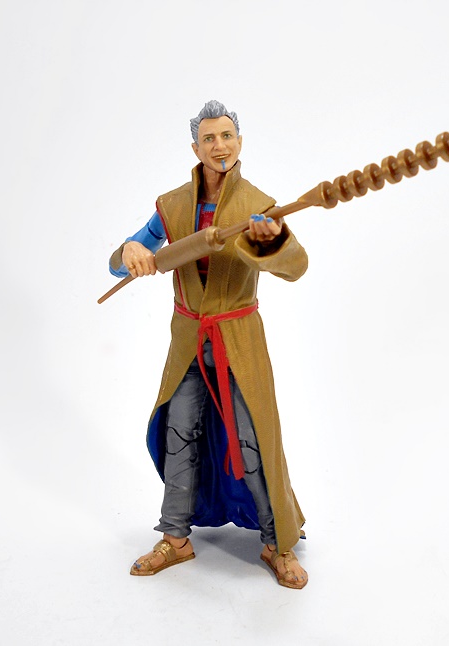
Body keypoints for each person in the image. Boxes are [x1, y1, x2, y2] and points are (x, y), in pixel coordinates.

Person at [108, 100, 308, 588]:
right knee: (179, 434)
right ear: (196, 148)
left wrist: (271, 242)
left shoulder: (258, 205)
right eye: (209, 138)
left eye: (227, 136)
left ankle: (276, 543)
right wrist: (130, 251)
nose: (220, 146)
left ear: (239, 142)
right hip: (188, 342)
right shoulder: (174, 205)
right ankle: (174, 538)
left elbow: (296, 267)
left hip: (239, 339)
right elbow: (119, 264)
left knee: (253, 437)